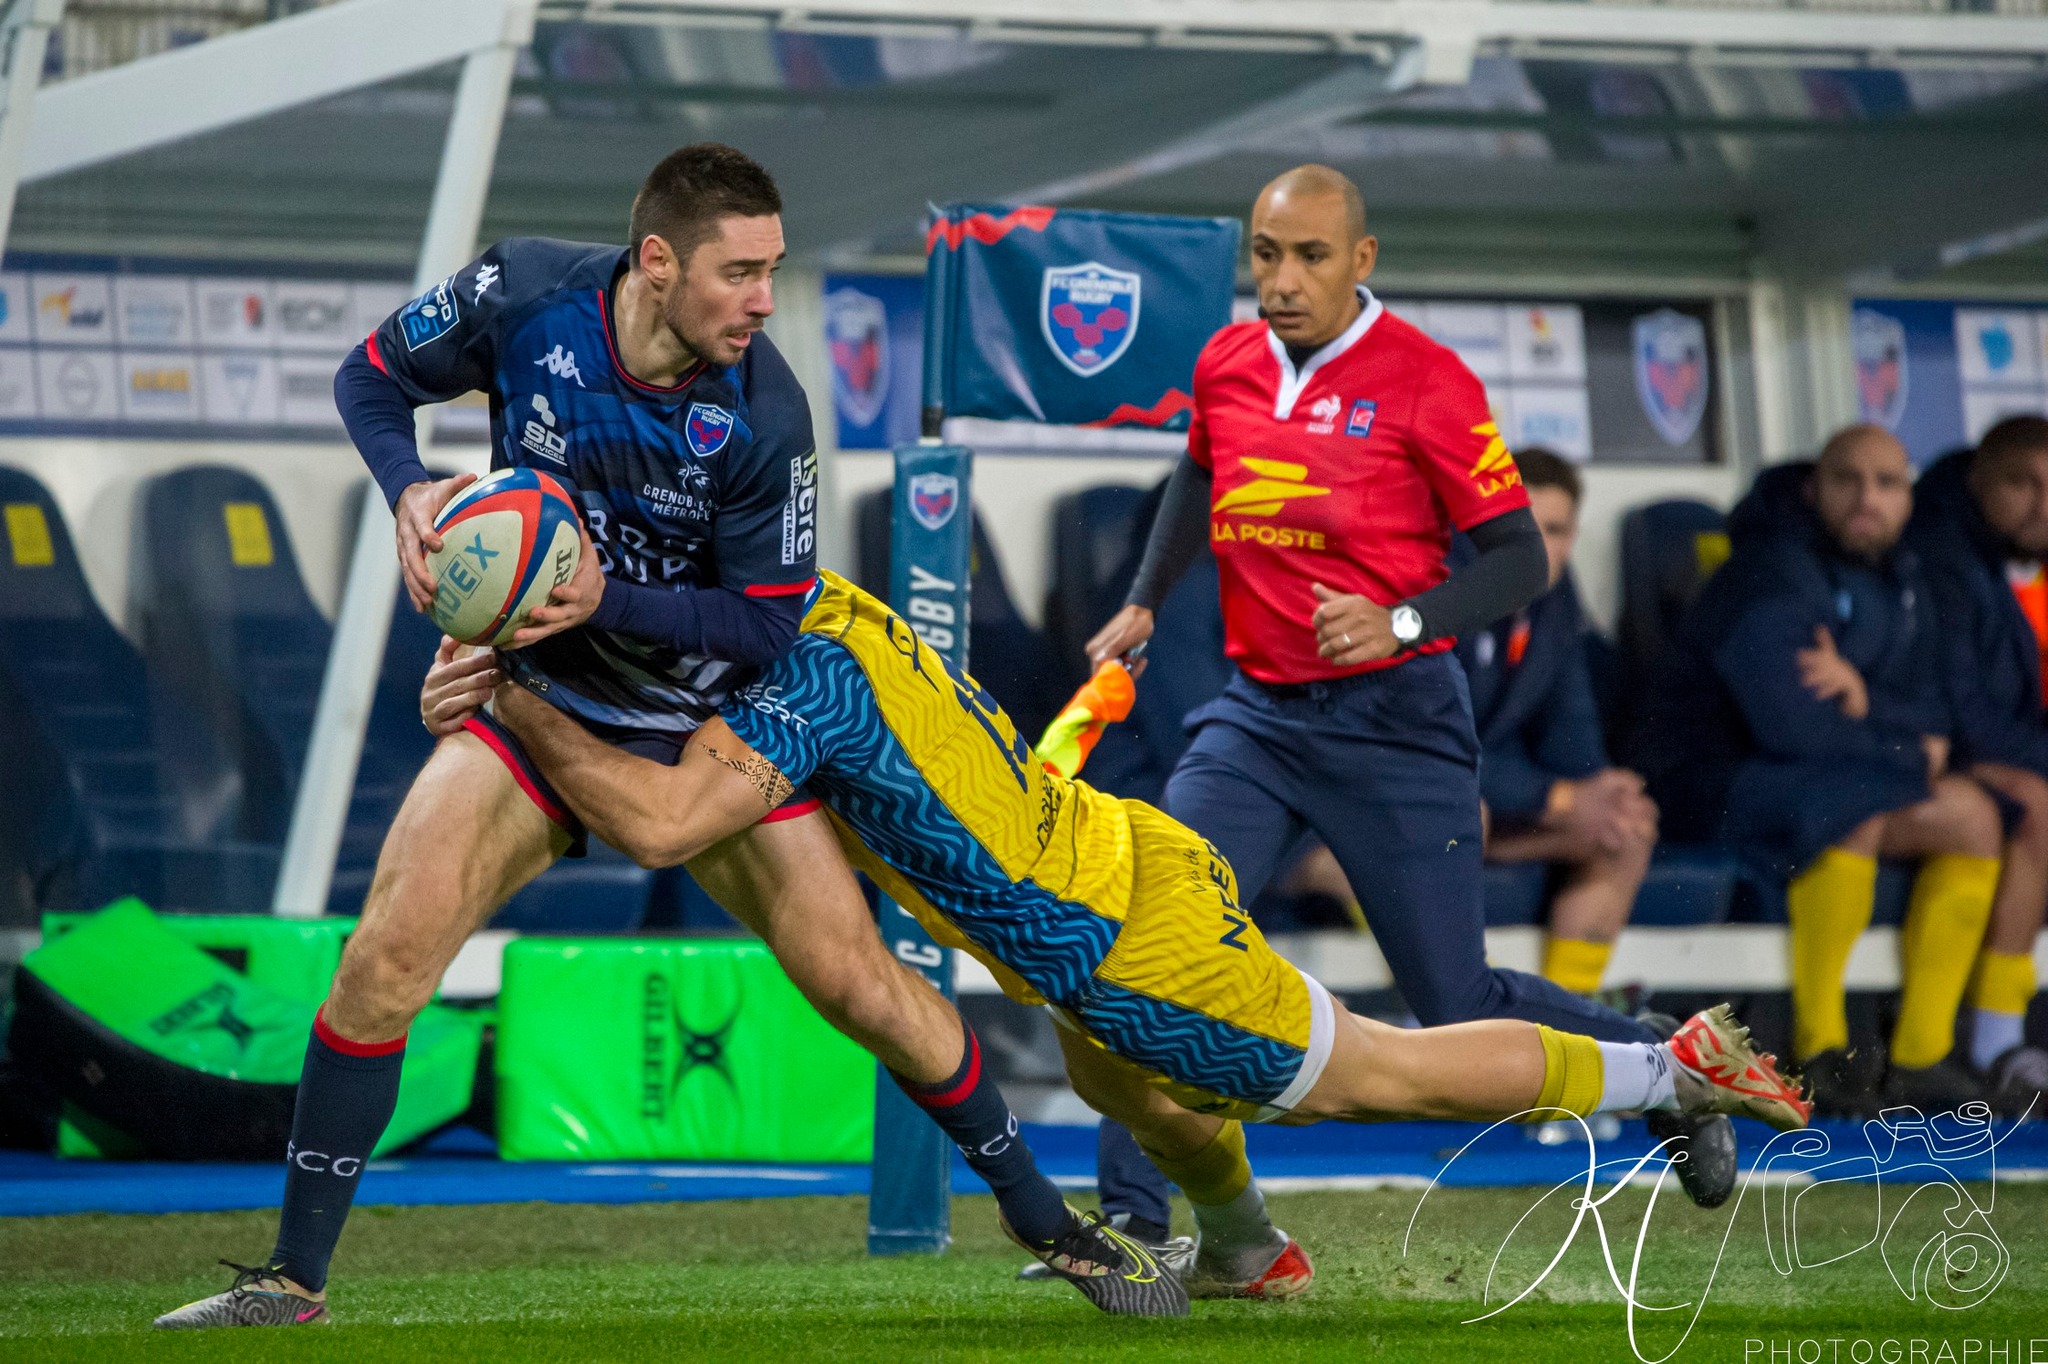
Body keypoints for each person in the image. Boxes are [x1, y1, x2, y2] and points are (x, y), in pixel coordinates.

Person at [155, 145, 1155, 1330]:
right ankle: (291, 1280)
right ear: (656, 260)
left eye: (773, 271)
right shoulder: (522, 295)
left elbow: (767, 618)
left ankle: (1050, 1222)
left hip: (707, 713)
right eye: (739, 272)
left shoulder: (766, 412)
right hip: (537, 701)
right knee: (383, 958)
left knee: (859, 985)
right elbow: (368, 378)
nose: (762, 300)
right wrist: (408, 486)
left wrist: (602, 603)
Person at [430, 570, 1809, 1299]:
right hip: (1130, 841)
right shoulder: (833, 611)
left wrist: (517, 701)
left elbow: (667, 821)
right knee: (1110, 1082)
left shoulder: (786, 719)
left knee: (1385, 1073)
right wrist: (1089, 709)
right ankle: (1243, 1248)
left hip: (1123, 953)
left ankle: (1665, 1072)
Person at [1081, 163, 1736, 1212]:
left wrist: (1399, 621)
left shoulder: (1425, 378)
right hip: (1253, 717)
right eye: (1264, 253)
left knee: (1452, 1001)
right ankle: (1135, 1218)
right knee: (1158, 947)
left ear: (1361, 259)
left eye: (1307, 255)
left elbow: (1519, 559)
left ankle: (1664, 1064)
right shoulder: (1226, 360)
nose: (1280, 278)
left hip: (1395, 722)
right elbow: (1195, 475)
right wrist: (1145, 598)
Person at [1633, 426, 2002, 1115]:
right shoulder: (1768, 571)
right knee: (1852, 803)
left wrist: (1870, 701)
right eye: (1847, 480)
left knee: (1973, 818)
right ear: (1813, 488)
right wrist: (1903, 746)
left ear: (1909, 497)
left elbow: (1939, 710)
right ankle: (1822, 1049)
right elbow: (1789, 725)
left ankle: (1922, 1055)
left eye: (1887, 484)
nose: (1868, 499)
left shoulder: (1907, 576)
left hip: (1816, 774)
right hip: (1708, 782)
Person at [1457, 449, 1657, 997]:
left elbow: (1574, 736)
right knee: (1458, 815)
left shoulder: (1554, 602)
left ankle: (1565, 1022)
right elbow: (1430, 752)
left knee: (1627, 829)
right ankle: (1454, 1017)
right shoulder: (1440, 594)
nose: (1536, 548)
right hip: (1426, 808)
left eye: (1554, 530)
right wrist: (1560, 796)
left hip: (1496, 810)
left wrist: (1600, 788)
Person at [1906, 415, 2048, 1114]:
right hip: (1931, 758)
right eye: (2023, 485)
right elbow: (1962, 710)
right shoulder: (1942, 556)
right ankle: (1997, 1041)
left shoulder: (1994, 556)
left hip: (1976, 751)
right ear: (1978, 482)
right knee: (2034, 806)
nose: (2041, 505)